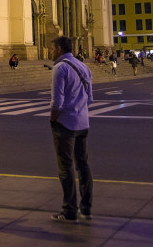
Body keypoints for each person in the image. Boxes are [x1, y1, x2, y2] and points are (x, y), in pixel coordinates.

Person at [48, 36, 94, 223]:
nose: (50, 52)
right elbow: (90, 98)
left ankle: (69, 211)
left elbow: (57, 102)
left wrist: (52, 119)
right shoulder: (83, 66)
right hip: (83, 123)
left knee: (66, 167)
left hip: (65, 124)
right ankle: (86, 208)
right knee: (83, 165)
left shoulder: (60, 68)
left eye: (51, 49)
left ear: (58, 49)